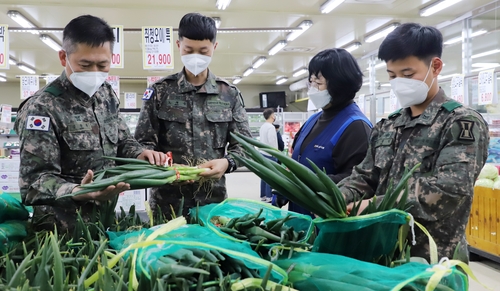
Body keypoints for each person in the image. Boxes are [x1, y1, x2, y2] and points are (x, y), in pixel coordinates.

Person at [339, 23, 489, 263]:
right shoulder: (388, 125)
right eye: (392, 75)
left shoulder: (460, 123)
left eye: (408, 75)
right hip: (381, 254)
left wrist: (374, 205)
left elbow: (450, 189)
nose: (399, 82)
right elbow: (365, 177)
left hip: (433, 260)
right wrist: (338, 196)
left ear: (435, 66)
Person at [14, 15, 167, 232]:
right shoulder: (42, 108)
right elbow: (34, 183)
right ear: (63, 57)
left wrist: (140, 154)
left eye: (102, 64)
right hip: (61, 233)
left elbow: (122, 139)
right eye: (85, 64)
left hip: (105, 222)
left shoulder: (106, 95)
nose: (94, 72)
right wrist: (78, 190)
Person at [134, 13, 252, 218]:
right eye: (189, 50)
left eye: (203, 51)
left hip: (212, 203)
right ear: (179, 45)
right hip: (167, 204)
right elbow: (141, 144)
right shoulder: (160, 92)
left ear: (214, 48)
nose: (195, 56)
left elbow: (245, 147)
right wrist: (161, 164)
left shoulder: (229, 94)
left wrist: (227, 163)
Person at [273, 48, 372, 217]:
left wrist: (303, 182)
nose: (312, 89)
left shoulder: (356, 127)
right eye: (310, 82)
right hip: (300, 217)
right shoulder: (314, 120)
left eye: (318, 83)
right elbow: (297, 160)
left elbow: (359, 181)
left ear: (340, 85)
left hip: (326, 220)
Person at [259, 109, 278, 202]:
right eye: (274, 114)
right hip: (270, 154)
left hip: (262, 153)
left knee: (263, 175)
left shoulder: (263, 126)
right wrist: (276, 153)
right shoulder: (271, 127)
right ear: (271, 116)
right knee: (270, 175)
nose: (275, 116)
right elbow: (272, 142)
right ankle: (269, 196)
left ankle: (263, 195)